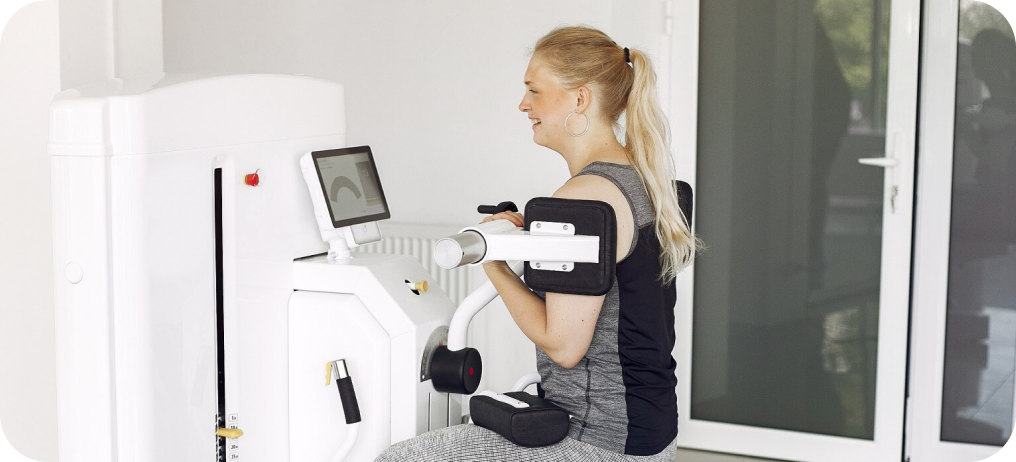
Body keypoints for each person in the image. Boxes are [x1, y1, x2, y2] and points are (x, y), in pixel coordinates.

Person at [375, 25, 700, 461]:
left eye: (534, 90)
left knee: (400, 458)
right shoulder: (645, 181)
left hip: (596, 442)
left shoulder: (581, 203)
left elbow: (563, 346)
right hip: (652, 433)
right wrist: (534, 237)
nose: (523, 104)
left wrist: (494, 262)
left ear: (580, 99)